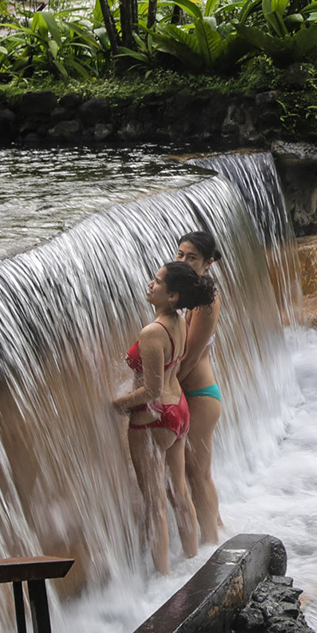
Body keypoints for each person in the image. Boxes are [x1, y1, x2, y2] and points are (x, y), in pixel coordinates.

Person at [113, 260, 216, 574]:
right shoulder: (180, 322)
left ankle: (164, 578)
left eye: (156, 282)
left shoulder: (151, 333)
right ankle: (193, 558)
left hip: (152, 419)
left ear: (172, 296)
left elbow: (150, 391)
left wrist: (115, 404)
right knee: (180, 493)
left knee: (155, 502)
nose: (149, 285)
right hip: (180, 411)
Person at [175, 231, 223, 545]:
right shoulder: (188, 294)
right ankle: (217, 530)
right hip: (193, 394)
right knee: (197, 472)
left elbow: (190, 358)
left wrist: (160, 390)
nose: (183, 262)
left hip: (200, 395)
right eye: (180, 255)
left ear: (209, 263)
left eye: (191, 257)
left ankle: (212, 546)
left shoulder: (206, 302)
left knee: (198, 474)